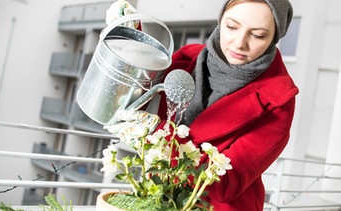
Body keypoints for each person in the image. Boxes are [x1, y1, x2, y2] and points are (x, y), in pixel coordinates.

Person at [106, 0, 298, 210]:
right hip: (158, 197)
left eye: (258, 35)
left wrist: (159, 135)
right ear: (220, 19)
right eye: (232, 27)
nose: (239, 43)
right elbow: (135, 94)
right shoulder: (187, 59)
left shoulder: (279, 101)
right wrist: (130, 41)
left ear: (273, 38)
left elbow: (225, 182)